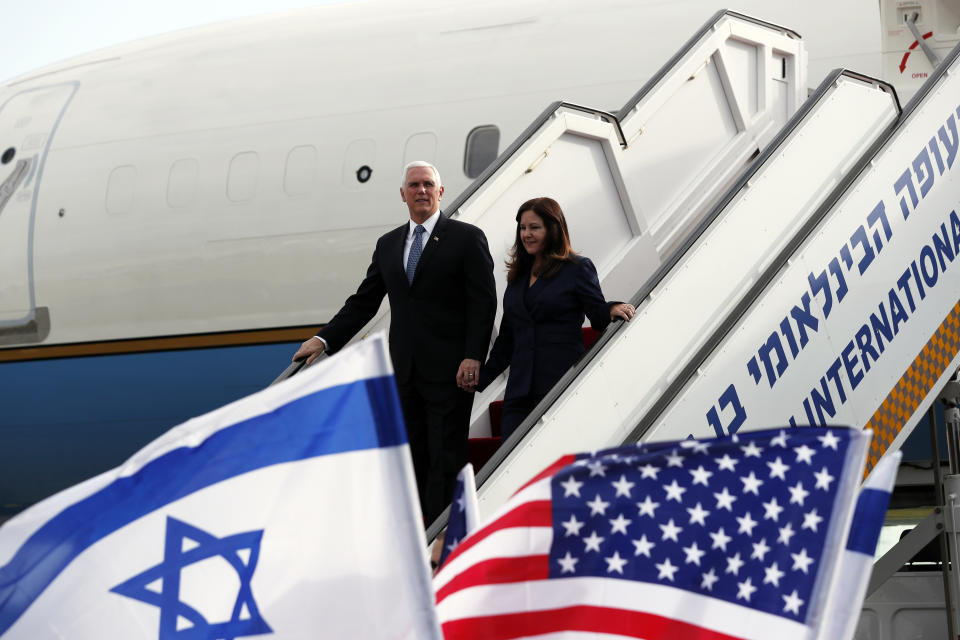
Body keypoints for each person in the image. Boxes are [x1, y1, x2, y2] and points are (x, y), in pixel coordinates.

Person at [293, 161, 497, 523]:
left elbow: (483, 303)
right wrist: (324, 338)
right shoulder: (388, 245)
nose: (422, 190)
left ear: (440, 192)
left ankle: (442, 538)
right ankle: (417, 536)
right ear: (403, 195)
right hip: (405, 373)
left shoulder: (466, 238)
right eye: (414, 185)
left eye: (428, 184)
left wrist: (473, 357)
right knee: (411, 459)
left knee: (445, 457)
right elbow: (364, 301)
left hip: (451, 373)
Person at [464, 197, 634, 440]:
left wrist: (611, 308)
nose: (526, 234)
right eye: (522, 228)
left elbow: (596, 312)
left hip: (560, 384)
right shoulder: (516, 279)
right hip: (519, 393)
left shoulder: (577, 268)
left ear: (553, 229)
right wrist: (481, 379)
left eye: (534, 227)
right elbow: (508, 340)